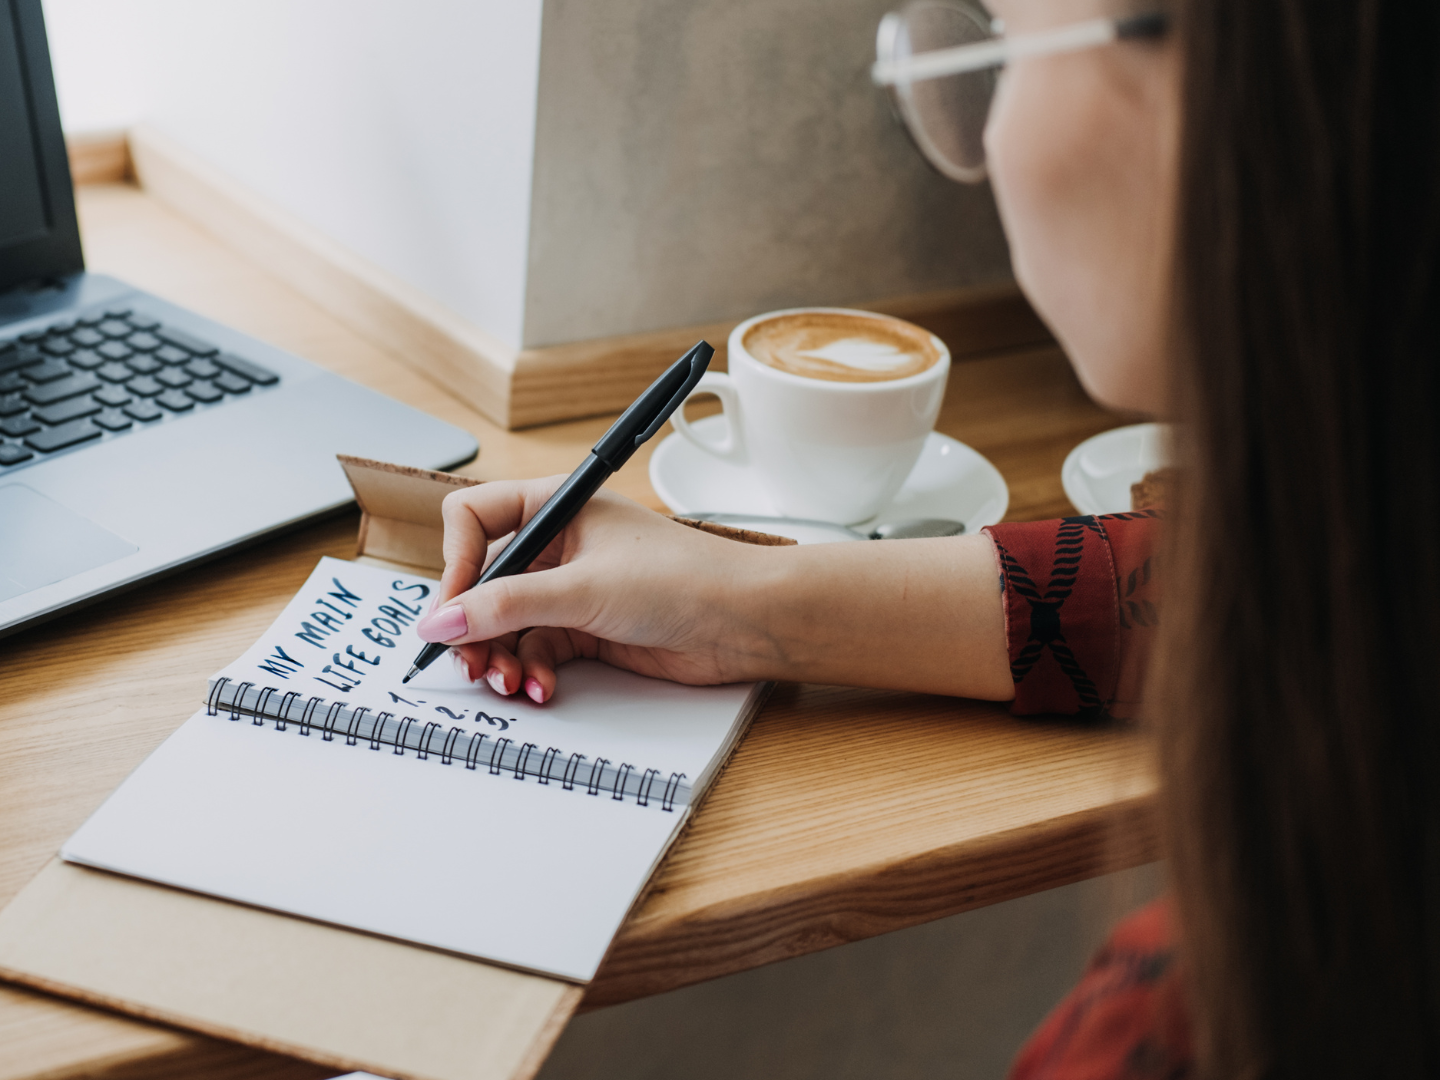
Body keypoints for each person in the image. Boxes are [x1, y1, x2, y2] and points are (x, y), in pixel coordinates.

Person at [413, 0, 1440, 1076]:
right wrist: (742, 603)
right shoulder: (1373, 525)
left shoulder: (1220, 1019)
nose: (988, 141)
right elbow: (1202, 585)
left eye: (994, 41)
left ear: (1220, 75)